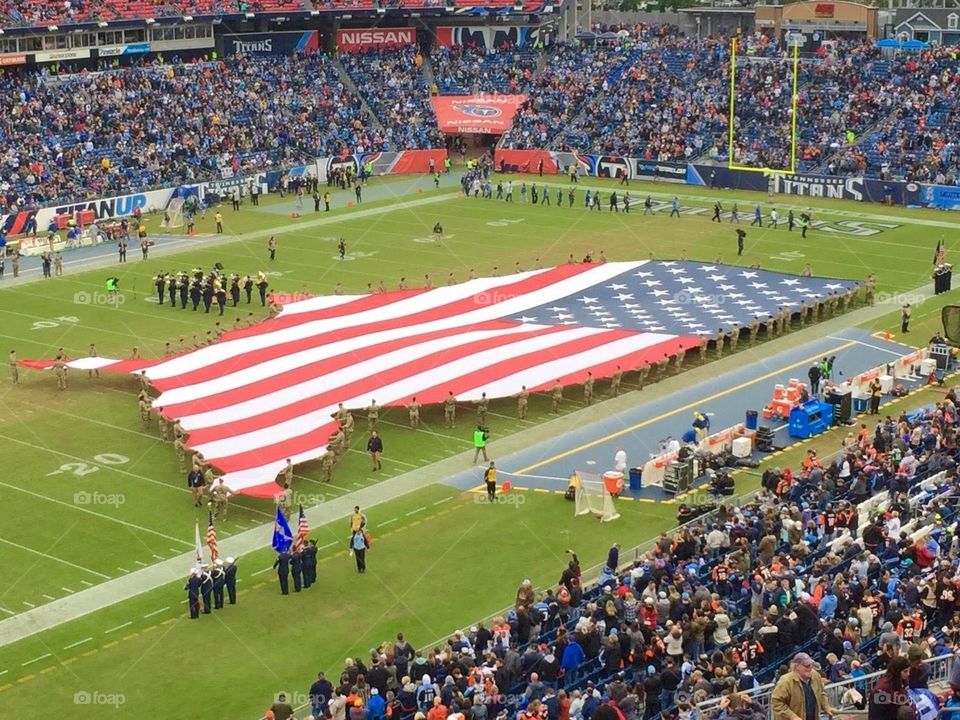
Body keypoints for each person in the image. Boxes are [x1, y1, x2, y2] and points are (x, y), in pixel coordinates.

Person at [771, 652, 836, 720]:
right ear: (797, 666)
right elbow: (777, 703)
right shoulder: (785, 681)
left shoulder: (816, 675)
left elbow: (821, 693)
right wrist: (793, 717)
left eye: (811, 664)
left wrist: (827, 707)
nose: (810, 668)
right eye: (807, 665)